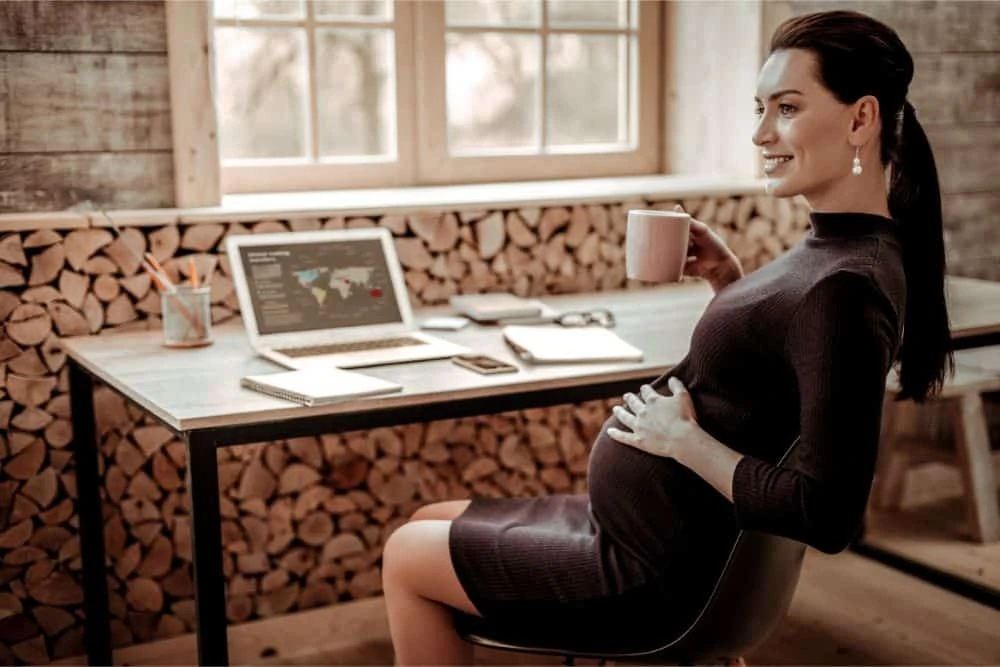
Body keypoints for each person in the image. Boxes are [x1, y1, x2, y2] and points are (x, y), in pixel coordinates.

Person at [380, 9, 954, 666]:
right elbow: (781, 368)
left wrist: (684, 443)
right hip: (646, 536)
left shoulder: (845, 288)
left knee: (405, 554)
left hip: (656, 577)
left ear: (861, 119)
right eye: (760, 109)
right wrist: (731, 284)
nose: (761, 133)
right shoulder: (840, 249)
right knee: (429, 518)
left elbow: (828, 515)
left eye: (787, 108)